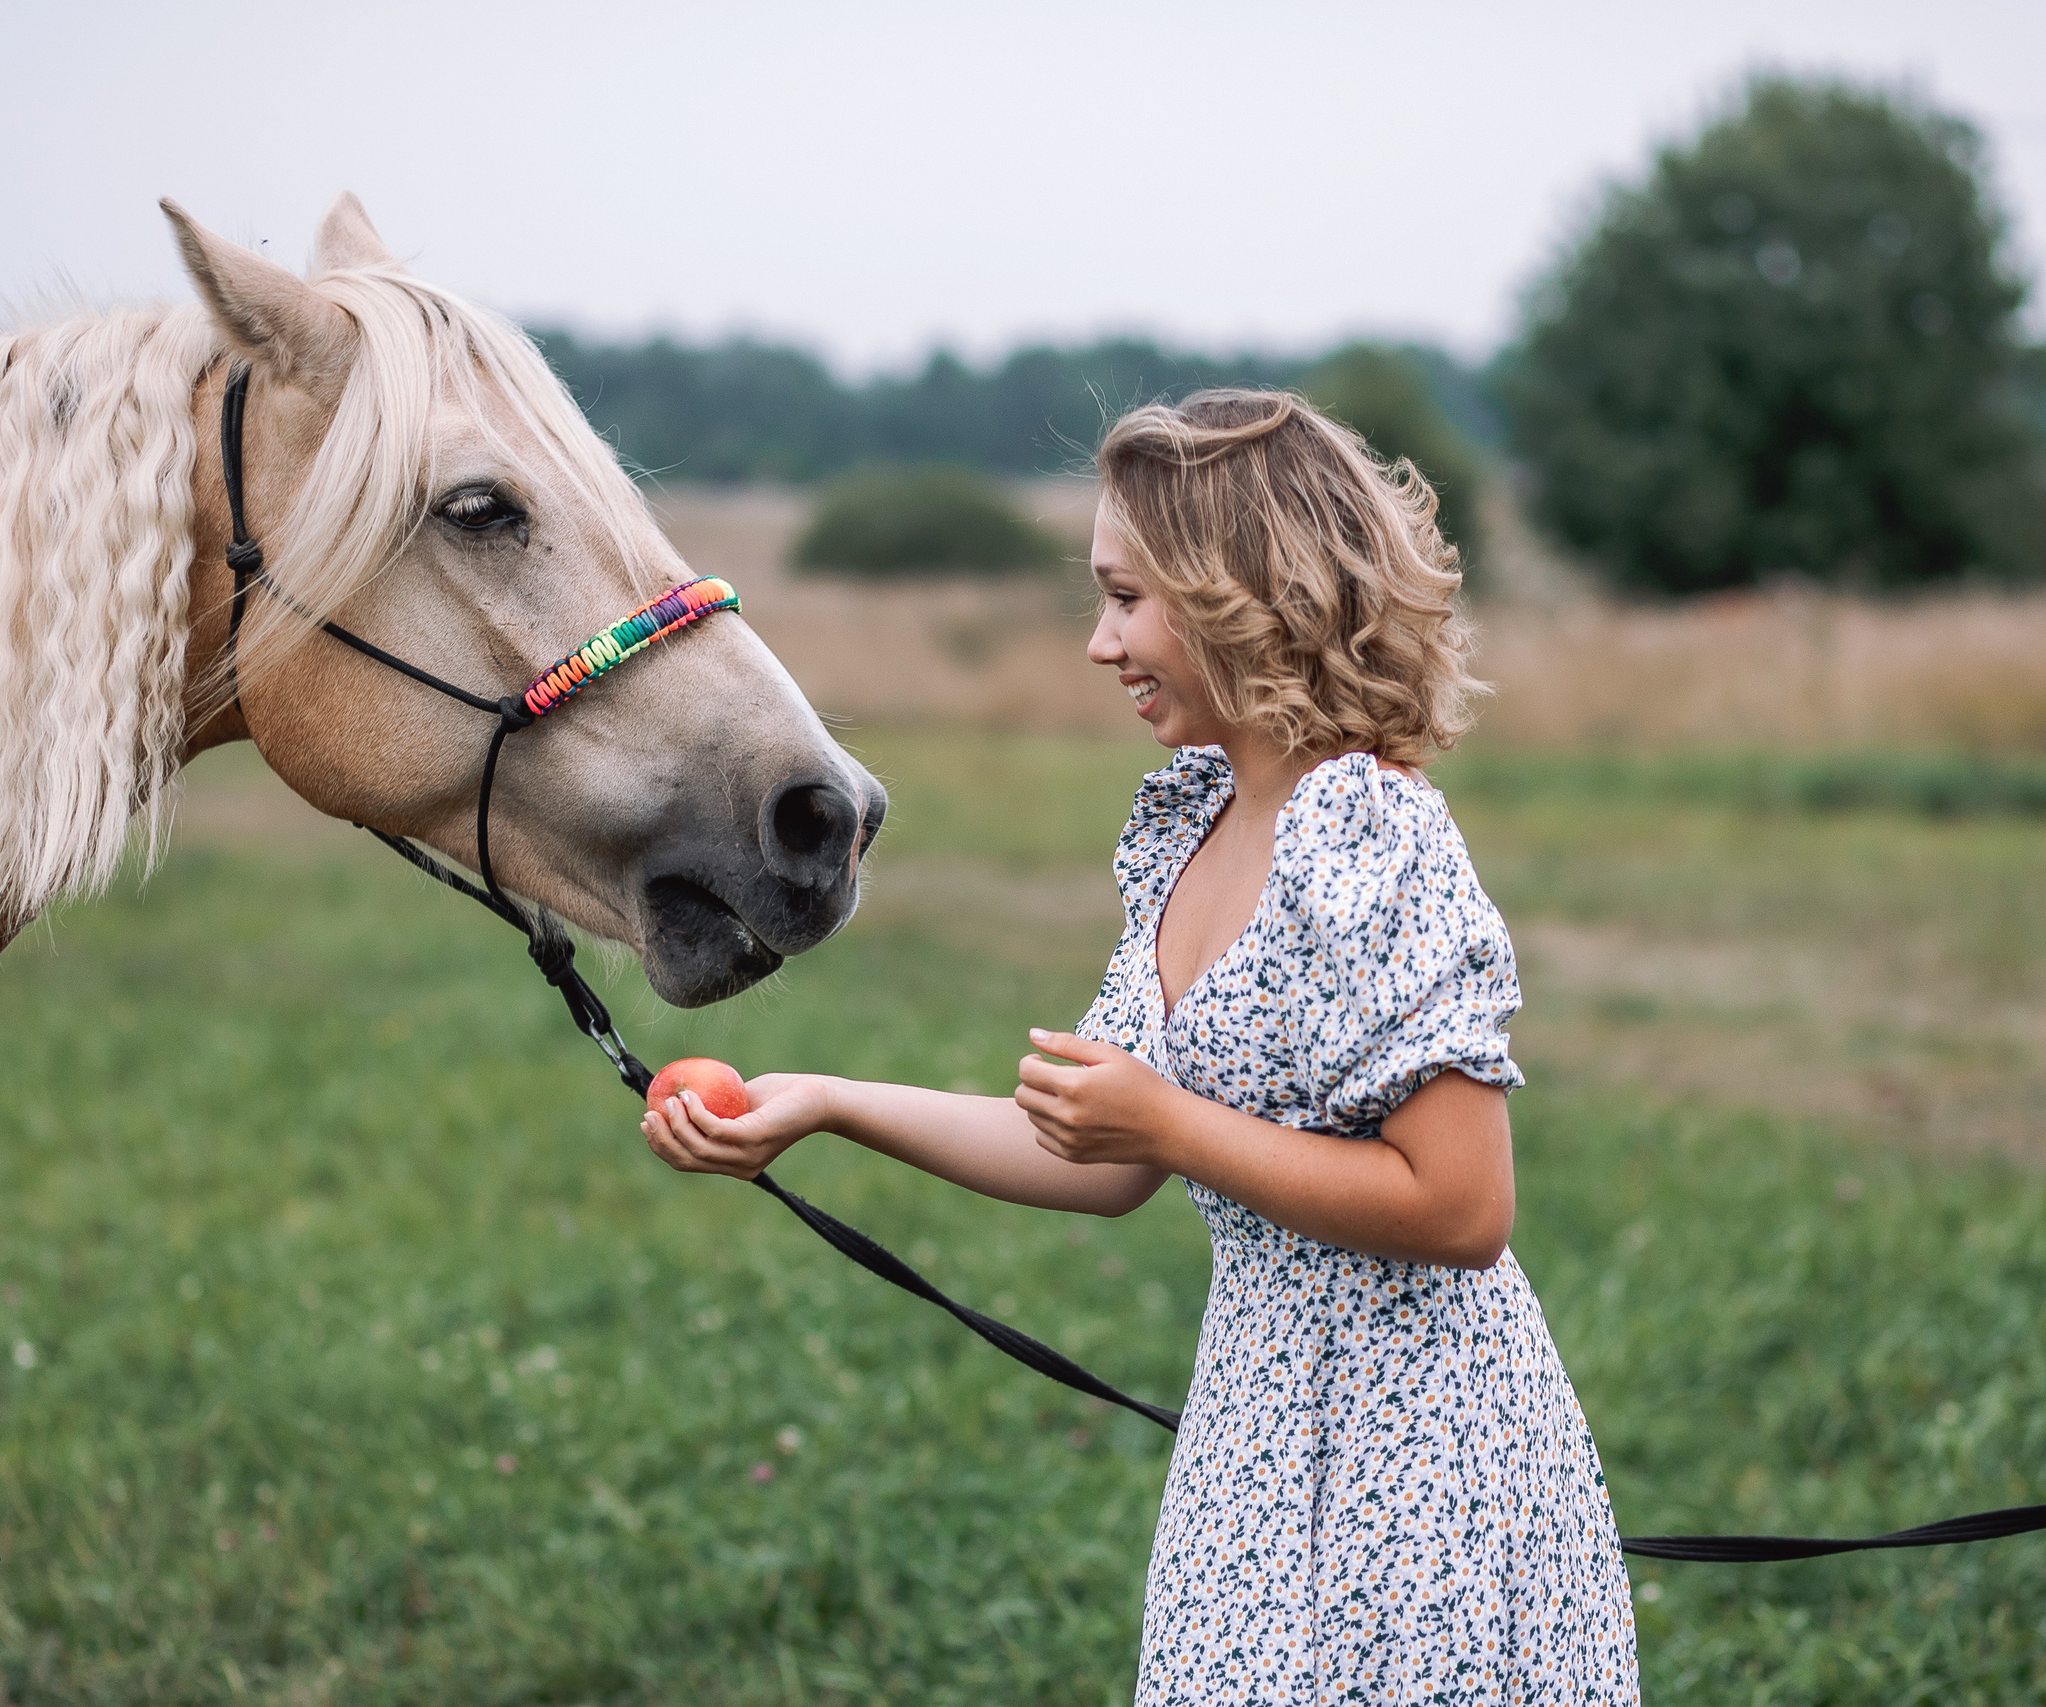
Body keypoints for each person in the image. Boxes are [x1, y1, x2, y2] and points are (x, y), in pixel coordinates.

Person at [642, 389, 1639, 1704]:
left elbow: (1462, 1204)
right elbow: (1103, 1156)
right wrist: (824, 1103)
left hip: (1425, 1465)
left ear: (1242, 595)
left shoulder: (1371, 840)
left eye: (1127, 597)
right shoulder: (1196, 828)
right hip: (1258, 1443)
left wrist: (1173, 1127)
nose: (1100, 642)